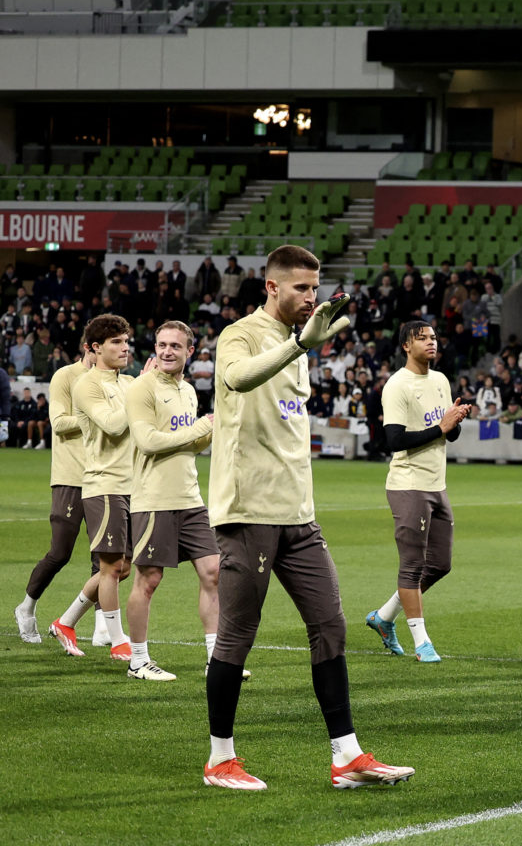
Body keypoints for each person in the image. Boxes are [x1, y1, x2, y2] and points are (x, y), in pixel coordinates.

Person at [203, 245, 411, 792]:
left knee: (330, 625)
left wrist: (302, 344)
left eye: (316, 288)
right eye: (300, 288)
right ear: (271, 287)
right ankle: (219, 759)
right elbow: (237, 380)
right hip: (250, 511)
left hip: (299, 515)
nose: (311, 298)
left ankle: (346, 755)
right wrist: (299, 345)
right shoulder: (241, 334)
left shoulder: (304, 341)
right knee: (237, 636)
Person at [364, 321, 472, 664]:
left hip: (436, 485)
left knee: (440, 564)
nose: (431, 342)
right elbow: (393, 441)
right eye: (422, 338)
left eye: (434, 337)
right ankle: (421, 642)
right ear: (406, 346)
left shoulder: (439, 380)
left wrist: (454, 421)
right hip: (408, 485)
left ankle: (383, 617)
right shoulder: (397, 385)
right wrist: (440, 426)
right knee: (411, 566)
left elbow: (447, 436)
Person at [120, 321, 218, 682]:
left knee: (214, 572)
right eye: (162, 345)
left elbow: (190, 443)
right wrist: (199, 428)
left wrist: (208, 432)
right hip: (153, 498)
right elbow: (147, 441)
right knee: (148, 578)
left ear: (189, 352)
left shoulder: (189, 391)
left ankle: (216, 659)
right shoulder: (141, 388)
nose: (167, 351)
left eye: (175, 346)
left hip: (190, 496)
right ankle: (138, 661)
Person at [47, 314, 136, 662]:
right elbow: (114, 425)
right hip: (105, 482)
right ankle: (118, 641)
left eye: (126, 340)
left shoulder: (128, 384)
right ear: (95, 348)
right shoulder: (86, 384)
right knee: (111, 567)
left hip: (131, 484)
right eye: (116, 341)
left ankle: (67, 622)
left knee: (123, 567)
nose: (124, 347)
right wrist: (141, 399)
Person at [15, 339, 93, 643]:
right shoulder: (66, 376)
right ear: (90, 347)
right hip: (71, 477)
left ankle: (102, 627)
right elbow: (59, 423)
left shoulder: (114, 381)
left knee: (107, 559)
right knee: (60, 552)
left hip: (107, 478)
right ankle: (27, 607)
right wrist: (96, 419)